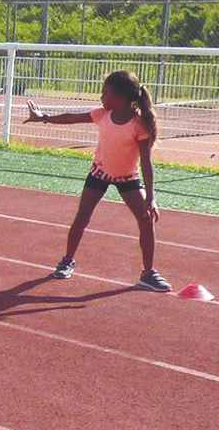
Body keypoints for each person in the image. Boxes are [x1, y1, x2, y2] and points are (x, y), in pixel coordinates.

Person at [25, 70, 172, 291]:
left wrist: (151, 198)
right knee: (81, 217)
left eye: (105, 93)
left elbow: (146, 163)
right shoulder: (102, 114)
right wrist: (44, 117)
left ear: (120, 97)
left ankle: (148, 273)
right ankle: (67, 260)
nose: (101, 97)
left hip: (128, 178)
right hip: (99, 174)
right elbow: (71, 118)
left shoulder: (139, 124)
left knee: (146, 220)